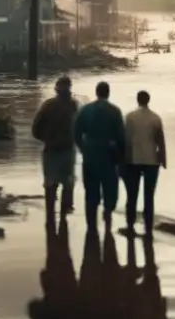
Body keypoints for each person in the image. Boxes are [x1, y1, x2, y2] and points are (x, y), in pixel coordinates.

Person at [73, 81, 125, 229]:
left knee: (91, 191)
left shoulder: (85, 110)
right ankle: (107, 214)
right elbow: (121, 137)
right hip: (108, 157)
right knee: (110, 189)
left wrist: (83, 148)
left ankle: (91, 224)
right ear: (108, 93)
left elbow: (76, 133)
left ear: (96, 93)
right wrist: (121, 158)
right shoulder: (115, 111)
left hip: (90, 156)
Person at [32, 76, 79, 220]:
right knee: (68, 180)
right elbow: (80, 128)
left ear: (56, 89)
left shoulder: (48, 105)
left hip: (51, 149)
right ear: (70, 88)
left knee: (50, 182)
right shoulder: (74, 106)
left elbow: (35, 129)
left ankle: (50, 212)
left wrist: (46, 139)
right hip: (67, 149)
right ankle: (65, 210)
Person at [122, 90, 167, 237]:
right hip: (151, 161)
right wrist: (164, 160)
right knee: (149, 196)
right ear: (149, 100)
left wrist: (122, 160)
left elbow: (126, 141)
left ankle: (130, 226)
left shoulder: (129, 117)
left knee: (132, 195)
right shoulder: (155, 118)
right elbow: (160, 141)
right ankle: (148, 229)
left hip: (133, 160)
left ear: (137, 100)